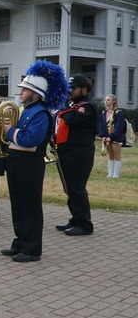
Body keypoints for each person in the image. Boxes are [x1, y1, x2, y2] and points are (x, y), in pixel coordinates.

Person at [0, 61, 68, 263]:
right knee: (18, 205)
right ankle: (20, 242)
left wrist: (9, 131)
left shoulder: (40, 112)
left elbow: (31, 139)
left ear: (36, 94)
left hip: (29, 163)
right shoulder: (27, 109)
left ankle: (31, 249)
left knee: (29, 206)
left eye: (25, 90)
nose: (20, 93)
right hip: (17, 161)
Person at [53, 74, 98, 235]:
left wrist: (64, 105)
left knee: (77, 188)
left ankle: (84, 224)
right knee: (70, 188)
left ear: (84, 88)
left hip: (80, 152)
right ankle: (76, 219)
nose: (70, 91)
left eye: (73, 88)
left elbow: (71, 119)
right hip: (67, 150)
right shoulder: (73, 104)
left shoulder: (87, 106)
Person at [100, 93, 127, 179]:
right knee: (110, 156)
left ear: (113, 101)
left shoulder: (118, 113)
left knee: (117, 156)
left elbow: (119, 127)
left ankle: (116, 174)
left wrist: (111, 136)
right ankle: (110, 173)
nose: (106, 101)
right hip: (107, 137)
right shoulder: (104, 112)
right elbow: (101, 125)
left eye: (108, 100)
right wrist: (103, 136)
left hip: (116, 137)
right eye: (106, 100)